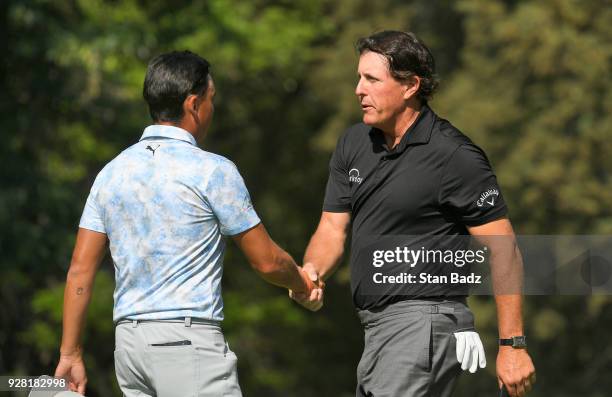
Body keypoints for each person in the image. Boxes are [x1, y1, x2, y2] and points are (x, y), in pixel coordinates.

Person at [53, 50, 322, 396]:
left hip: (130, 349)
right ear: (194, 104)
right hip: (186, 345)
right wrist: (301, 281)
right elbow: (267, 261)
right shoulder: (212, 171)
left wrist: (70, 352)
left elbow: (80, 270)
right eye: (212, 100)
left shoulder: (112, 173)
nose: (213, 109)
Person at [291, 31, 536, 397]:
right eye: (358, 77)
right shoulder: (353, 144)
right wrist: (311, 271)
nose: (359, 89)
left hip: (424, 320)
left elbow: (504, 249)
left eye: (372, 79)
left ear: (410, 86)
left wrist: (512, 345)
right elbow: (331, 227)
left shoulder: (454, 156)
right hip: (377, 327)